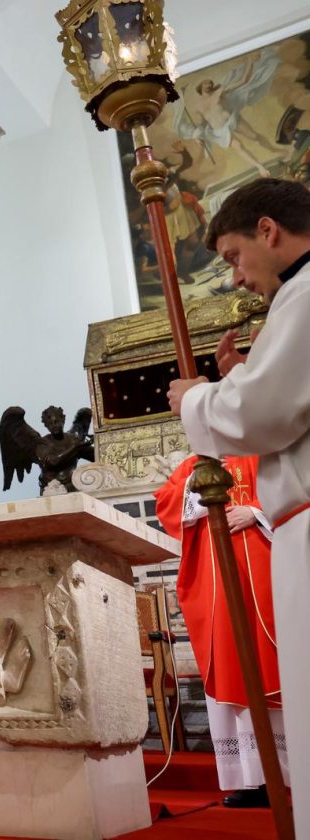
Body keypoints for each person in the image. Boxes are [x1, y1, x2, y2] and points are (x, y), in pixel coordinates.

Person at [168, 177, 310, 834]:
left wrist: (196, 398)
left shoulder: (302, 295)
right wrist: (235, 383)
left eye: (233, 257)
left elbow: (261, 414)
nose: (235, 278)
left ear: (268, 231)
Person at [154, 454, 285, 805]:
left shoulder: (262, 451)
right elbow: (166, 505)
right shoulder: (195, 464)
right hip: (218, 589)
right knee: (233, 663)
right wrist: (197, 487)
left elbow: (294, 489)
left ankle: (292, 773)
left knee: (275, 665)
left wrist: (255, 511)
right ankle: (254, 778)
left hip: (267, 577)